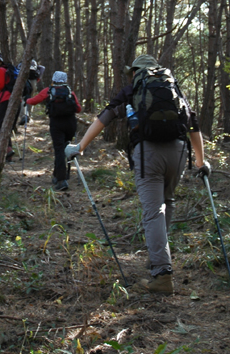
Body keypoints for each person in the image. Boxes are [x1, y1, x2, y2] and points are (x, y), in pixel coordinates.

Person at [65, 54, 210, 295]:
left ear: (135, 72)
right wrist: (200, 161)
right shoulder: (173, 90)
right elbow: (192, 123)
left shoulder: (132, 90)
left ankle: (162, 274)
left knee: (153, 211)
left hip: (148, 154)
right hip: (178, 152)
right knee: (167, 202)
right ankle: (158, 259)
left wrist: (80, 146)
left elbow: (105, 117)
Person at [26, 71, 81, 191]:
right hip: (71, 123)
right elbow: (78, 108)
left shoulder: (48, 91)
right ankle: (60, 175)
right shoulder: (69, 92)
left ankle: (61, 180)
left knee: (59, 150)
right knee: (67, 148)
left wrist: (26, 100)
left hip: (56, 124)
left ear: (53, 79)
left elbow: (33, 101)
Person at [20, 59, 45, 125]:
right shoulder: (35, 64)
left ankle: (24, 115)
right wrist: (38, 78)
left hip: (24, 81)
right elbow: (42, 68)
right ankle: (29, 115)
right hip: (34, 82)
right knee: (30, 98)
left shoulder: (22, 62)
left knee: (23, 98)